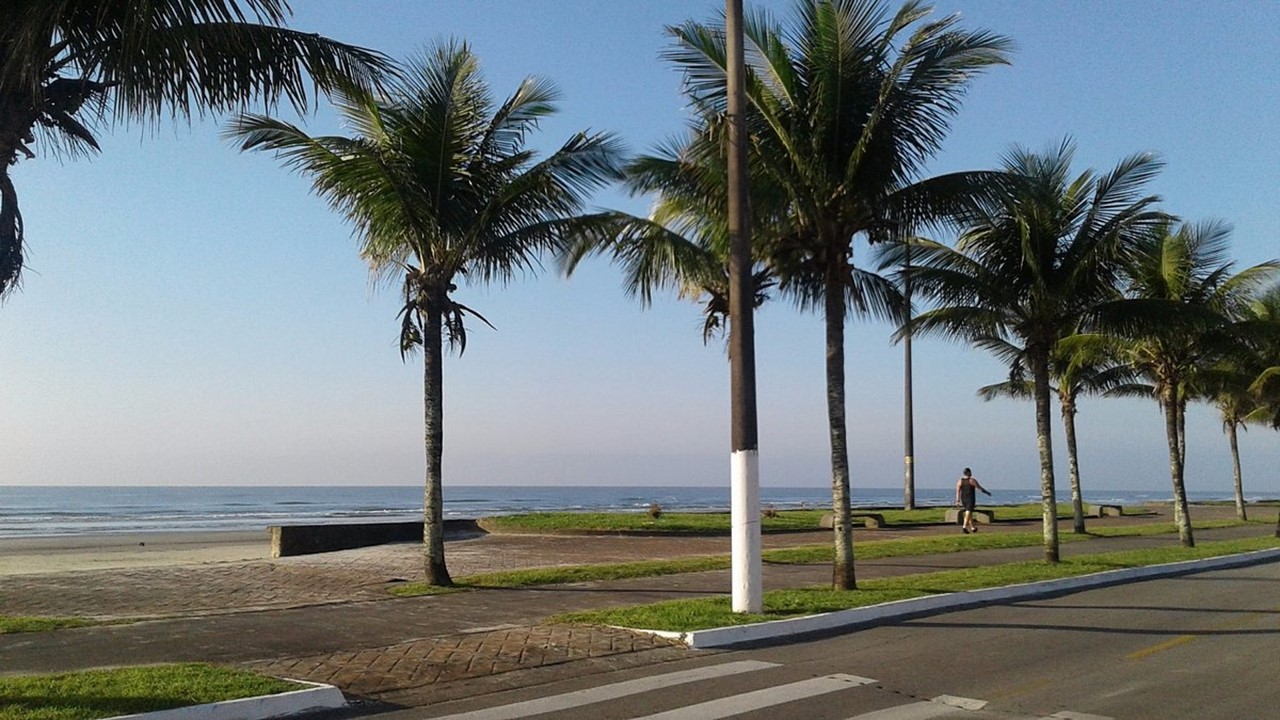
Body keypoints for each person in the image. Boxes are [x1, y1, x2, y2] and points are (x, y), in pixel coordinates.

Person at [955, 467, 991, 534]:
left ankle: (972, 528)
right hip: (970, 499)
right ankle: (964, 526)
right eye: (970, 472)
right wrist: (987, 492)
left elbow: (958, 492)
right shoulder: (972, 480)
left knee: (969, 513)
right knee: (968, 512)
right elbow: (980, 488)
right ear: (968, 472)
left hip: (963, 499)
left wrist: (957, 500)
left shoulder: (960, 481)